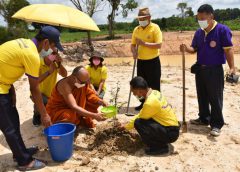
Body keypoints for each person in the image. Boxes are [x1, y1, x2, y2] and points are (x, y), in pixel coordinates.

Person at [0, 26, 63, 171]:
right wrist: (44, 114)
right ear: (46, 42)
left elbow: (5, 65)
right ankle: (24, 162)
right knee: (9, 127)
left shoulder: (24, 43)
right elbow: (34, 89)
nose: (52, 50)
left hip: (4, 85)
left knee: (14, 122)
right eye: (53, 46)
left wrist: (11, 88)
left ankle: (19, 153)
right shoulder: (32, 55)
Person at [180, 4, 236, 136]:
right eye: (198, 19)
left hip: (215, 70)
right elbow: (194, 49)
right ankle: (204, 118)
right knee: (202, 95)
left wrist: (232, 67)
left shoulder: (222, 30)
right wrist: (186, 49)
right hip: (200, 69)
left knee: (215, 97)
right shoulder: (199, 33)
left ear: (211, 16)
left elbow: (228, 50)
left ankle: (216, 124)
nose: (200, 21)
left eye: (203, 18)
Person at [119, 77, 180, 155]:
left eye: (133, 92)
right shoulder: (155, 93)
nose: (134, 94)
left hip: (170, 133)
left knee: (138, 123)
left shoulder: (150, 102)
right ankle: (160, 141)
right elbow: (143, 112)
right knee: (144, 120)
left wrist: (125, 127)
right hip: (172, 127)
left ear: (139, 90)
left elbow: (139, 117)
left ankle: (160, 147)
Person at [131, 7, 163, 111]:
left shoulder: (155, 28)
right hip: (141, 61)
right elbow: (133, 44)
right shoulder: (136, 29)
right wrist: (134, 52)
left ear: (149, 17)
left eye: (143, 18)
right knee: (141, 84)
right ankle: (143, 103)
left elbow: (159, 45)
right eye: (139, 19)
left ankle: (155, 105)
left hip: (153, 61)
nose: (141, 21)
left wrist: (144, 44)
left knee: (154, 84)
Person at [32, 48, 68, 126]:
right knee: (40, 103)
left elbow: (65, 75)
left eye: (55, 53)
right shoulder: (38, 63)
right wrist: (49, 72)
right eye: (52, 53)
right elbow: (35, 82)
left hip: (50, 94)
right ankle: (36, 115)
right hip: (38, 93)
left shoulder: (55, 64)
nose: (53, 55)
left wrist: (60, 64)